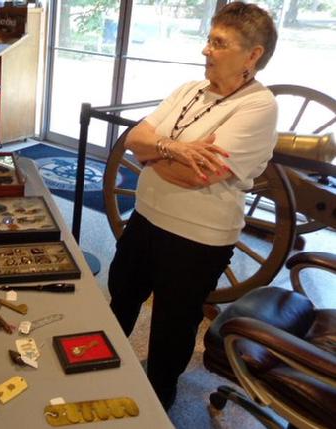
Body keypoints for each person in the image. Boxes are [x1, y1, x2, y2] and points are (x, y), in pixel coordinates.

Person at [108, 1, 278, 410]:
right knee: (120, 299)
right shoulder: (189, 90)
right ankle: (100, 371)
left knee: (172, 326)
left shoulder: (259, 106)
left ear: (252, 55)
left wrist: (156, 154)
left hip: (196, 241)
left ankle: (156, 403)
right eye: (208, 39)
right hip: (146, 219)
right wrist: (176, 149)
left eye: (219, 43)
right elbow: (135, 139)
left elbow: (197, 175)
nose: (206, 50)